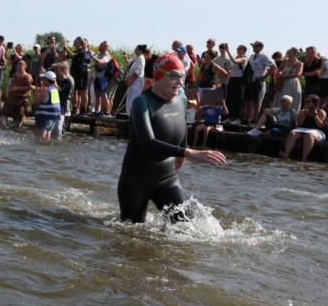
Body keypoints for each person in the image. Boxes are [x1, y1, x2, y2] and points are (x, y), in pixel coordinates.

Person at [117, 53, 226, 224]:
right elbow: (148, 142)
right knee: (131, 234)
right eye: (174, 76)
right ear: (159, 75)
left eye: (182, 76)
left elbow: (180, 127)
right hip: (136, 181)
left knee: (186, 226)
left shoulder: (181, 100)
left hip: (167, 178)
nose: (180, 82)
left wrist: (182, 152)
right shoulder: (142, 103)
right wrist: (188, 152)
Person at [281, 94, 328, 161]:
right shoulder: (303, 111)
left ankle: (304, 158)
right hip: (303, 129)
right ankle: (286, 154)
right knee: (292, 133)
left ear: (314, 103)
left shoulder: (321, 112)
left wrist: (315, 117)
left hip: (317, 131)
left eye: (308, 102)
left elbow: (321, 126)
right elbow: (298, 124)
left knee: (308, 135)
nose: (306, 103)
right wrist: (303, 116)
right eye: (306, 101)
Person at [243, 40, 275, 126]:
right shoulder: (251, 56)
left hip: (258, 82)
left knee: (256, 102)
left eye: (256, 46)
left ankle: (255, 120)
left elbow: (273, 67)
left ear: (260, 48)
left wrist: (264, 76)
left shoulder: (264, 56)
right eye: (253, 46)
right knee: (247, 100)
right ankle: (247, 119)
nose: (254, 47)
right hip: (250, 81)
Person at [0, 59, 33, 128]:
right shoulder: (15, 75)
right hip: (11, 98)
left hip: (21, 100)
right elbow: (11, 85)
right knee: (3, 115)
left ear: (24, 67)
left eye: (20, 68)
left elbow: (30, 87)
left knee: (18, 121)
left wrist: (18, 88)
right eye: (17, 67)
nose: (18, 69)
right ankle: (4, 130)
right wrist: (9, 90)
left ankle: (16, 132)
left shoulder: (27, 76)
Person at [33, 71, 62, 139]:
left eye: (43, 79)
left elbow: (37, 102)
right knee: (47, 137)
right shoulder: (55, 89)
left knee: (39, 139)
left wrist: (36, 92)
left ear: (46, 80)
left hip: (44, 117)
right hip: (53, 117)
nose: (42, 80)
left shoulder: (46, 90)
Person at [274, 47, 303, 114]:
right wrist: (280, 74)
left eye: (290, 52)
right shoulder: (285, 61)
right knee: (281, 99)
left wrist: (285, 75)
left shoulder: (299, 63)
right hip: (283, 83)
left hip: (293, 83)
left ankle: (292, 117)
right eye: (289, 51)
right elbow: (279, 71)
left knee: (293, 101)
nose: (288, 52)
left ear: (295, 53)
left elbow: (298, 74)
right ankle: (279, 116)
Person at [123, 45, 147, 116]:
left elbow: (138, 72)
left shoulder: (141, 59)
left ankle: (133, 117)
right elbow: (129, 63)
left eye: (136, 49)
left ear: (140, 50)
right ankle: (130, 116)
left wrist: (130, 81)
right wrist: (125, 56)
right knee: (129, 100)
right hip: (133, 83)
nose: (135, 50)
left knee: (133, 100)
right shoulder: (137, 58)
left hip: (136, 84)